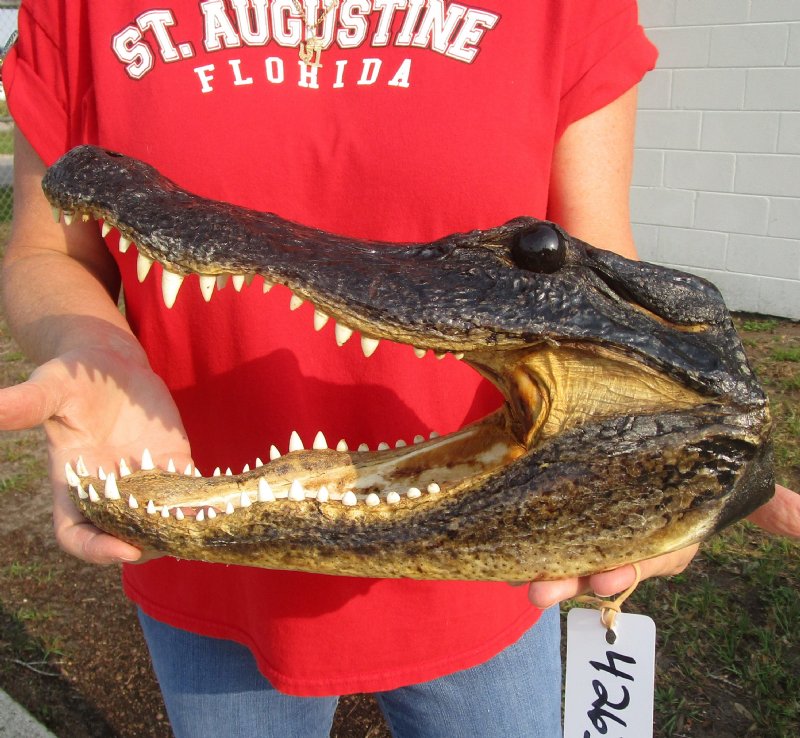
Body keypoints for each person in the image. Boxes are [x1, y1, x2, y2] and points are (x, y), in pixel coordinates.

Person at [1, 2, 797, 736]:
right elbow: (46, 249)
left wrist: (691, 461)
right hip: (206, 536)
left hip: (489, 561)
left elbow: (590, 280)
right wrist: (93, 346)